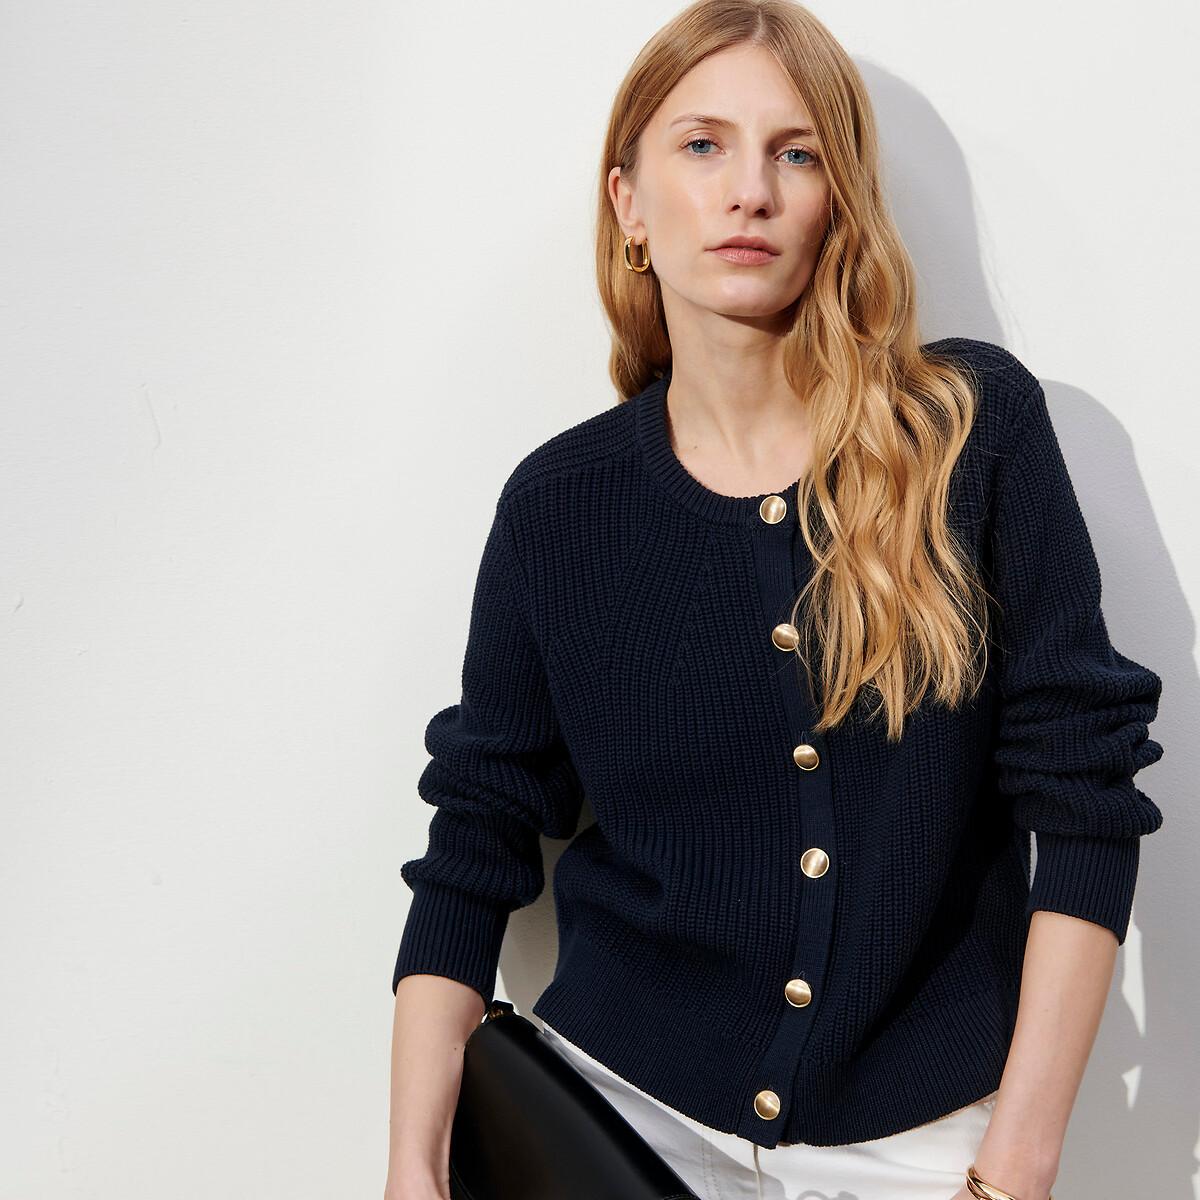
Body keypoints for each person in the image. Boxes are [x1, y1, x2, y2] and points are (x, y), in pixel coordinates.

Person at [384, 3, 1165, 1198]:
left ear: (836, 201)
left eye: (795, 154)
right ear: (628, 202)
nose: (748, 191)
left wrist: (1018, 1163)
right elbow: (473, 841)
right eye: (702, 145)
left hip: (922, 1143)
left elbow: (1086, 798)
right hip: (617, 1127)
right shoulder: (560, 509)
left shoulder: (970, 437)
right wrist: (412, 1168)